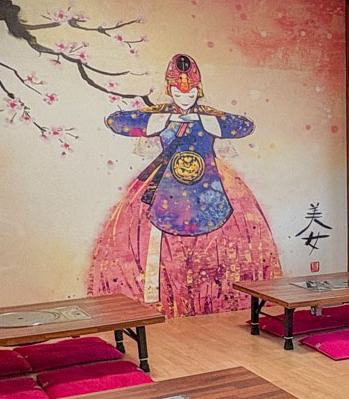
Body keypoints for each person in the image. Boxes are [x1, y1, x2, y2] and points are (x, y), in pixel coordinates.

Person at [88, 53, 281, 315]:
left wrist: (204, 122)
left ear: (197, 91)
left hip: (210, 186)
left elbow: (244, 125)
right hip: (168, 187)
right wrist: (163, 121)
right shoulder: (161, 114)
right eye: (179, 93)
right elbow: (116, 121)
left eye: (190, 93)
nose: (185, 98)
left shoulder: (207, 115)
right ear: (170, 91)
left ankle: (219, 298)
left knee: (226, 240)